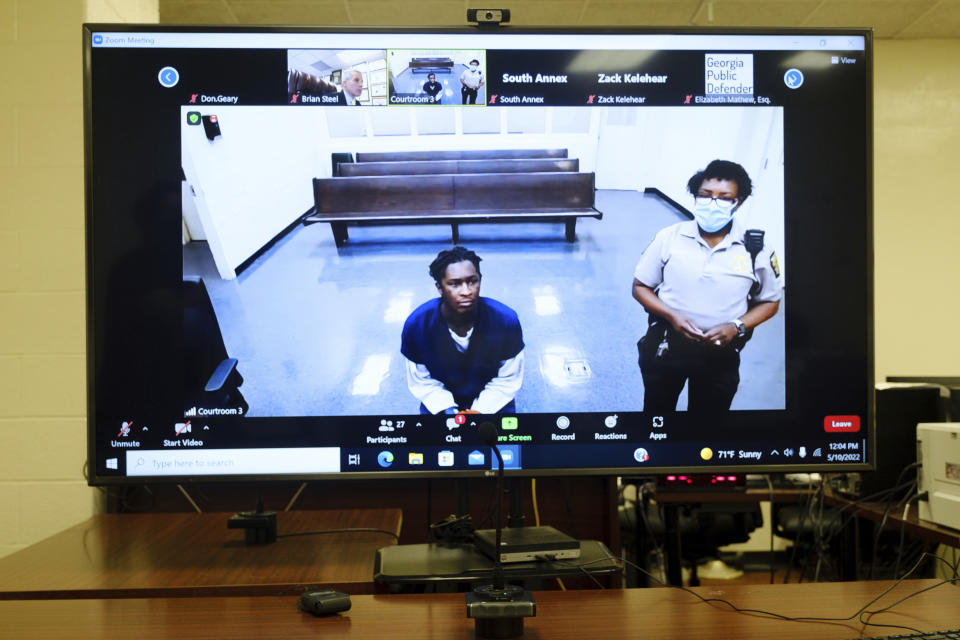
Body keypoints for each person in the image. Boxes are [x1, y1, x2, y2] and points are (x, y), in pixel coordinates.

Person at [632, 159, 782, 414]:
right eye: (705, 195)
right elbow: (640, 287)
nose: (713, 203)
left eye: (724, 198)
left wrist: (736, 327)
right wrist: (672, 316)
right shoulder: (669, 237)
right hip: (667, 345)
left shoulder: (756, 248)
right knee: (657, 415)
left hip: (721, 352)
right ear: (695, 196)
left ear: (739, 201)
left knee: (708, 423)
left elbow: (770, 301)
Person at [401, 246, 524, 414]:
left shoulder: (505, 321)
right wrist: (447, 408)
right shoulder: (417, 325)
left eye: (472, 281)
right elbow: (422, 381)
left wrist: (480, 410)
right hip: (439, 402)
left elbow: (508, 378)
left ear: (480, 280)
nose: (466, 291)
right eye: (454, 284)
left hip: (495, 401)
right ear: (440, 287)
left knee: (507, 439)